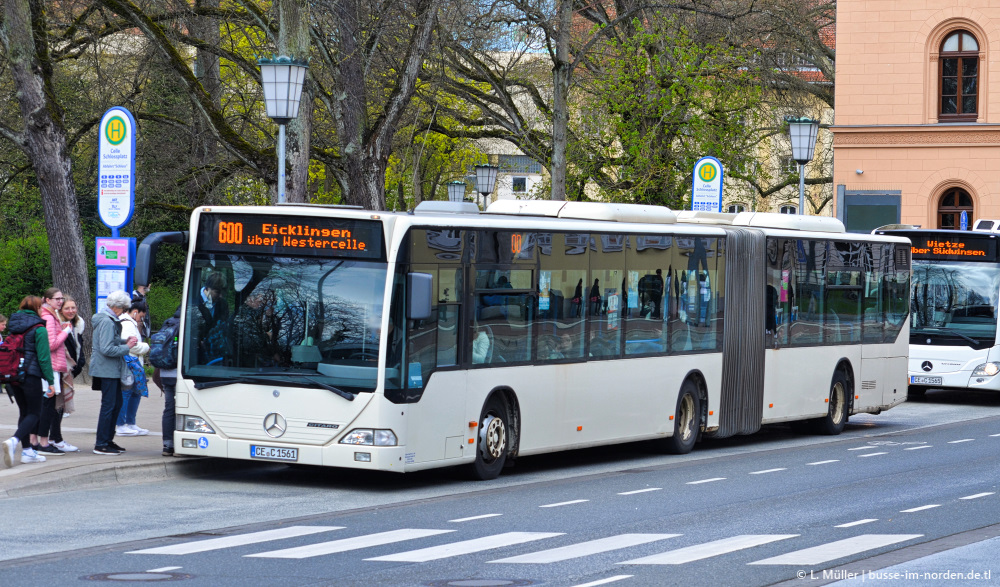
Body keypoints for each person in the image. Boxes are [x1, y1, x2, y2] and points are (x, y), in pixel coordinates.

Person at [1, 296, 56, 467]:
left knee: (24, 412)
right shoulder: (39, 329)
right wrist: (51, 381)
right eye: (41, 307)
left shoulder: (15, 326)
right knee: (35, 413)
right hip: (31, 376)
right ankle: (14, 440)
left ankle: (27, 452)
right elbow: (44, 358)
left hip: (14, 375)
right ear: (37, 308)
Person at [89, 290, 138, 455]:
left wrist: (124, 341)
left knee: (115, 404)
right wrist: (127, 347)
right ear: (117, 307)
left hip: (109, 369)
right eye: (123, 308)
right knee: (109, 406)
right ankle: (101, 443)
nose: (124, 312)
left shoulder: (106, 319)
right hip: (107, 369)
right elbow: (107, 348)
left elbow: (110, 341)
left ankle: (108, 440)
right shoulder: (107, 322)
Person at [36, 288, 73, 456]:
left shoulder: (50, 315)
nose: (60, 301)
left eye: (61, 298)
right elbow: (51, 345)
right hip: (50, 367)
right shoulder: (49, 318)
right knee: (48, 405)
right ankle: (43, 442)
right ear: (47, 300)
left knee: (47, 405)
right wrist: (65, 331)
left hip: (51, 366)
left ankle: (38, 441)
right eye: (57, 299)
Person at [116, 299, 151, 437]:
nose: (141, 320)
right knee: (127, 393)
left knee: (135, 393)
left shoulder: (129, 323)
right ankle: (121, 424)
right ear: (135, 312)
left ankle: (130, 422)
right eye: (141, 316)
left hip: (134, 363)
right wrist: (146, 347)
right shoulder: (127, 324)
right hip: (129, 363)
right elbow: (132, 345)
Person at [59, 296, 85, 431]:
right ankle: (53, 439)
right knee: (56, 406)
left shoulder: (78, 324)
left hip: (73, 367)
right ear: (61, 310)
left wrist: (79, 364)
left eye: (73, 307)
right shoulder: (58, 325)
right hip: (61, 368)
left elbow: (79, 346)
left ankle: (56, 439)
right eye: (67, 308)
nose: (71, 311)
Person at [160, 306, 181, 456]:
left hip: (165, 373)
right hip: (180, 374)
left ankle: (167, 445)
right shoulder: (187, 324)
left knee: (169, 408)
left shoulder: (167, 323)